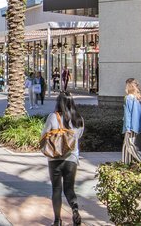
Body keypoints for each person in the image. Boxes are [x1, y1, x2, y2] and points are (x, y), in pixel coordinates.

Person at [45, 92, 85, 226]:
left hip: (54, 159)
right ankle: (74, 210)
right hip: (71, 159)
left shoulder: (52, 117)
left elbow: (44, 135)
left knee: (56, 189)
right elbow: (78, 137)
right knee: (69, 189)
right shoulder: (79, 119)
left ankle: (57, 221)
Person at [121, 78, 141, 163]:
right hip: (137, 126)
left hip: (131, 127)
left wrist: (127, 128)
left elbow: (128, 114)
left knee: (130, 145)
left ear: (129, 86)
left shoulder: (128, 98)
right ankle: (126, 163)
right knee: (126, 146)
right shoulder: (139, 98)